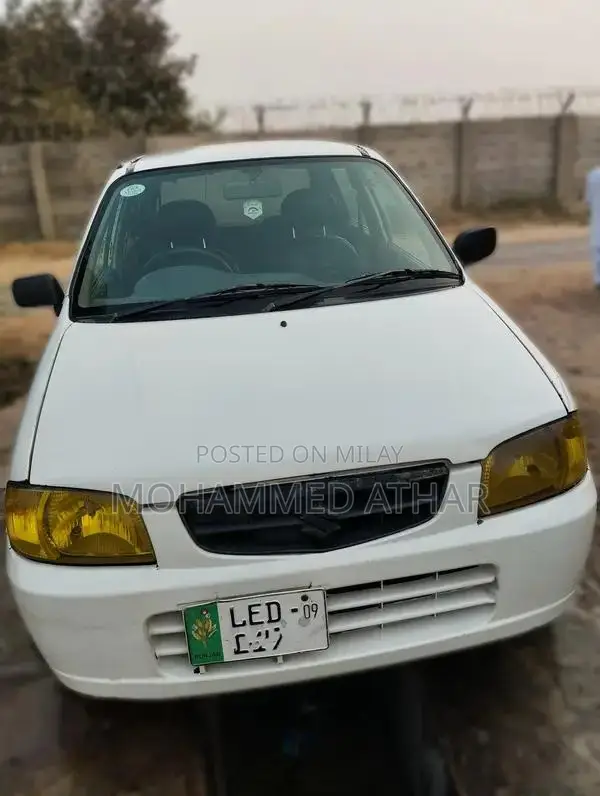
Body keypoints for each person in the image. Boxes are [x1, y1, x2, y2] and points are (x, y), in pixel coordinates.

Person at [585, 165, 600, 289]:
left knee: (597, 252)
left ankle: (598, 281)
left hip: (597, 223)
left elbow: (588, 200)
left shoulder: (593, 175)